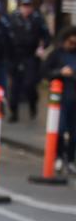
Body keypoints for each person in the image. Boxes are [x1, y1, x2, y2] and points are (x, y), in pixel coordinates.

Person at [8, 0, 51, 122]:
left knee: (30, 84)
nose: (26, 9)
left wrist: (42, 47)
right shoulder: (13, 18)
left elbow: (47, 36)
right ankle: (13, 112)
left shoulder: (37, 19)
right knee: (14, 86)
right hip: (16, 55)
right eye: (24, 5)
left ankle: (33, 104)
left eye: (28, 6)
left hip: (31, 55)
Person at [43, 26, 76, 174]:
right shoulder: (56, 54)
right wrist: (60, 72)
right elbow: (45, 72)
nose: (72, 45)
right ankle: (59, 156)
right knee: (60, 129)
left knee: (74, 132)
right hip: (60, 98)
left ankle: (70, 159)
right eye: (70, 41)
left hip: (74, 97)